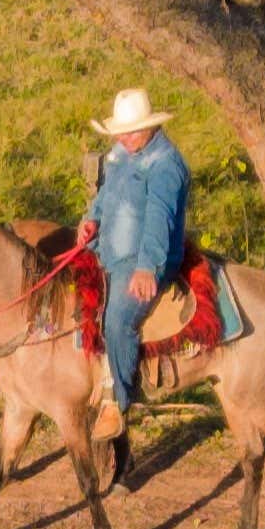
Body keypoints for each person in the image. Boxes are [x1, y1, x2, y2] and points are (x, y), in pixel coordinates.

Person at [81, 86, 192, 407]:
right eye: (121, 133)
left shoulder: (166, 165)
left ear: (150, 127)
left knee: (118, 322)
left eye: (131, 133)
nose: (124, 138)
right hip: (108, 248)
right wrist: (93, 219)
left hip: (143, 257)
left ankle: (120, 399)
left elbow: (160, 218)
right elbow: (107, 195)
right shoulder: (121, 153)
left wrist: (148, 268)